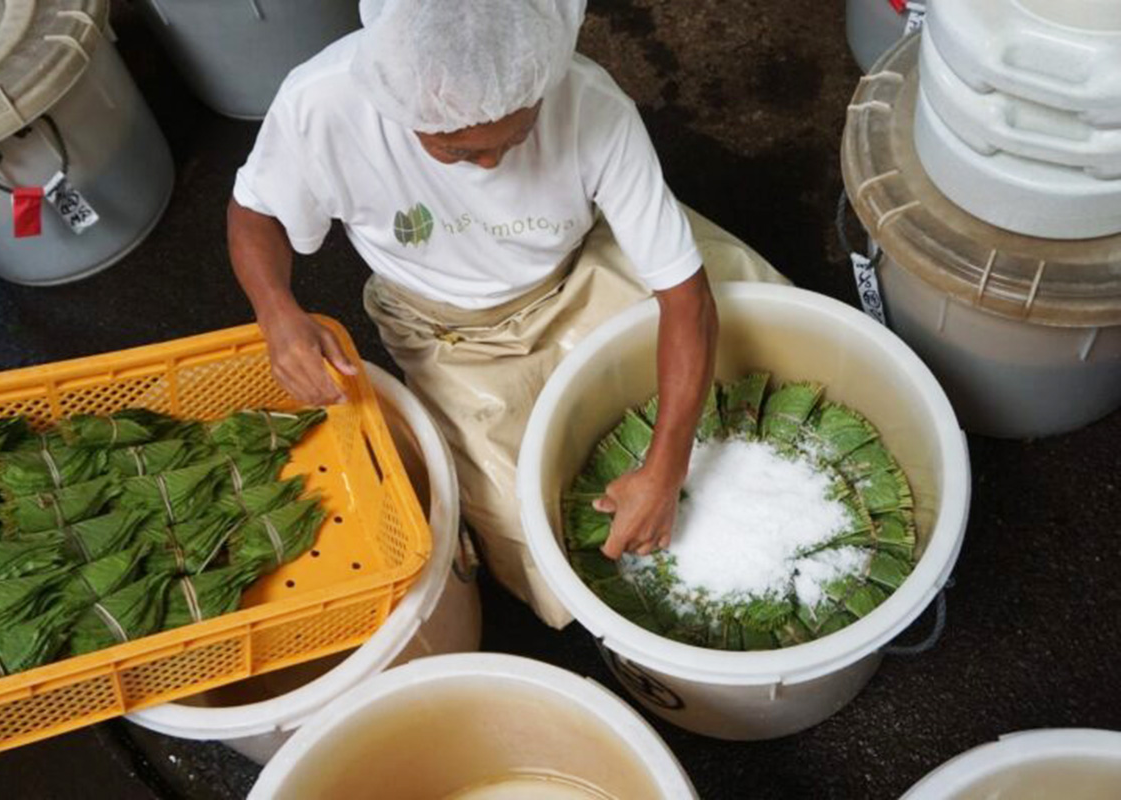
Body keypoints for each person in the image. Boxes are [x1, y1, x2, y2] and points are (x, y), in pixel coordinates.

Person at [228, 0, 788, 627]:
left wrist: (666, 468)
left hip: (581, 268)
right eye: (457, 149)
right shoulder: (324, 104)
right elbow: (258, 211)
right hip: (451, 330)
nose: (491, 163)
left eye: (515, 136)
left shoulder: (592, 105)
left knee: (765, 313)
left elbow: (686, 298)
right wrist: (278, 314)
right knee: (528, 530)